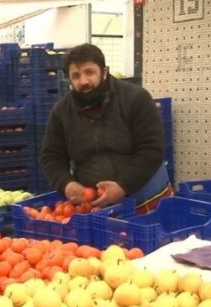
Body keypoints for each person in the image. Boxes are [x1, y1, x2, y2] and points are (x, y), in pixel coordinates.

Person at [41, 43, 173, 214]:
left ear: (104, 72)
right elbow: (51, 156)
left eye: (89, 72)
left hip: (147, 199)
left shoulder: (136, 99)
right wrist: (66, 184)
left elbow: (152, 150)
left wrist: (123, 185)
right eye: (76, 75)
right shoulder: (62, 112)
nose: (83, 81)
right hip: (98, 206)